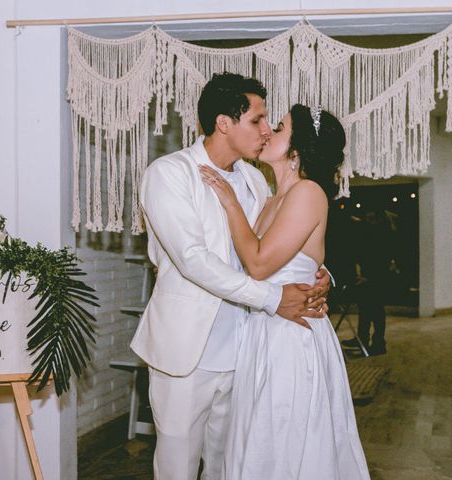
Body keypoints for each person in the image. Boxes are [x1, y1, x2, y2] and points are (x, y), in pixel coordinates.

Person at [130, 73, 332, 480]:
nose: (265, 129)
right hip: (188, 351)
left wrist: (321, 273)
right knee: (177, 466)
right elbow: (193, 260)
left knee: (232, 466)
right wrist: (274, 299)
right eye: (257, 120)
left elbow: (281, 243)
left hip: (248, 349)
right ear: (225, 123)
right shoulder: (169, 173)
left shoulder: (257, 180)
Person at [200, 104, 370, 479]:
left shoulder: (308, 192)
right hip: (262, 329)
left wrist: (229, 203)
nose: (267, 132)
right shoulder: (272, 196)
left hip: (292, 338)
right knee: (259, 437)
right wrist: (321, 271)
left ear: (296, 152)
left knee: (286, 436)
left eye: (277, 128)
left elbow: (259, 264)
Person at [341, 209, 391, 356]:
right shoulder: (373, 232)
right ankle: (362, 339)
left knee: (376, 312)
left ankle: (378, 343)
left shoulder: (383, 235)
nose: (369, 222)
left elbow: (383, 259)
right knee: (365, 309)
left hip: (375, 279)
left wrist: (370, 278)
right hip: (367, 276)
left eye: (371, 219)